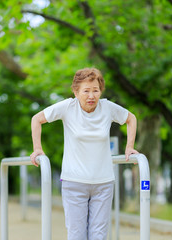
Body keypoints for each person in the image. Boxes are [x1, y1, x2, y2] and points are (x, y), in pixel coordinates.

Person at [30, 67, 138, 240]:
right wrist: (38, 148)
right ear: (75, 91)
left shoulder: (107, 108)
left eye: (95, 91)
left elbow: (131, 118)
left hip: (103, 183)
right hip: (74, 182)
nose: (91, 96)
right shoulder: (67, 107)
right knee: (77, 235)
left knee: (99, 236)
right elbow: (37, 119)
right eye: (86, 91)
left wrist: (129, 146)